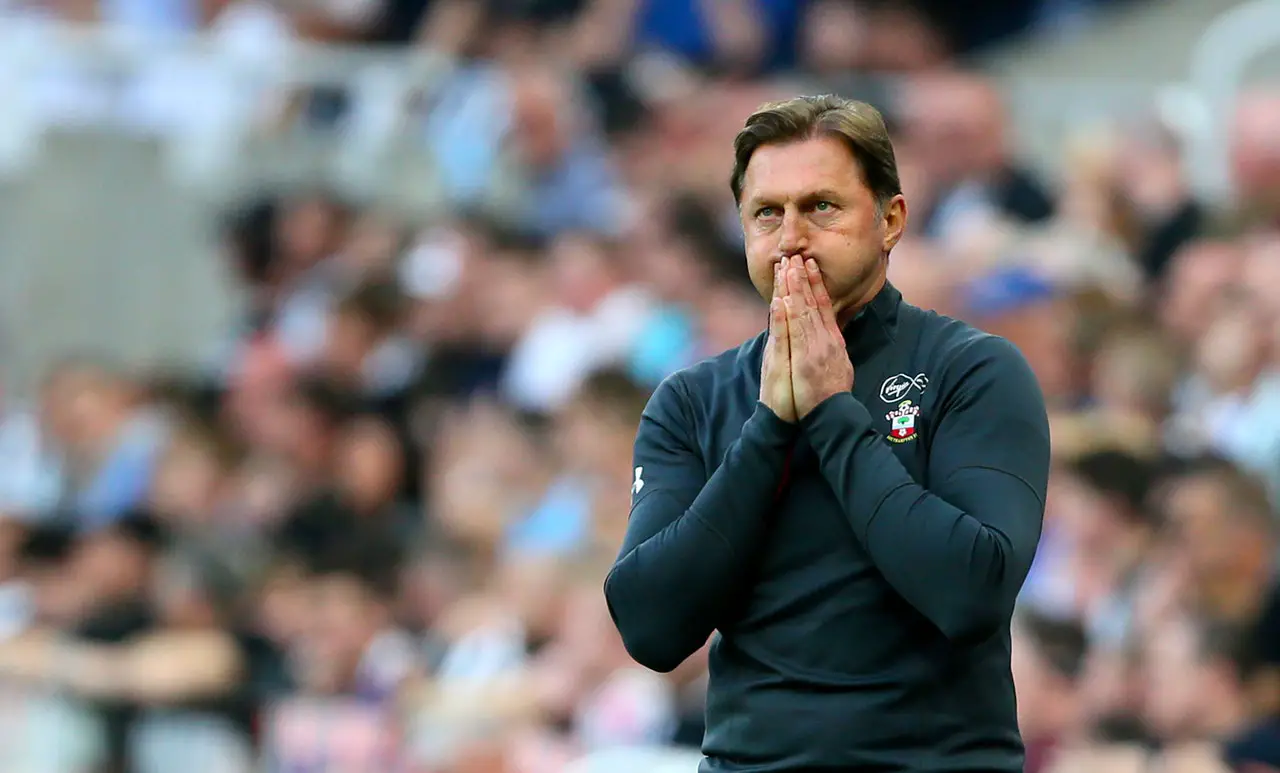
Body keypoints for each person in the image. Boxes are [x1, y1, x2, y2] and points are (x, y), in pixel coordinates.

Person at [603, 94, 1051, 772]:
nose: (791, 237)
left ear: (890, 220)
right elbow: (650, 626)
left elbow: (971, 592)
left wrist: (833, 413)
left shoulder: (972, 370)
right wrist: (769, 429)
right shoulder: (692, 401)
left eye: (821, 206)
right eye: (766, 213)